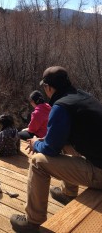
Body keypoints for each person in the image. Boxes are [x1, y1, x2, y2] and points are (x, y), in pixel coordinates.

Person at [10, 66, 102, 233]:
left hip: (100, 172)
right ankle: (68, 193)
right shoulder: (83, 97)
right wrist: (46, 139)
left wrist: (36, 143)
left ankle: (33, 222)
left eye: (45, 87)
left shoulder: (60, 107)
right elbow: (69, 135)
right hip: (98, 157)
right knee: (64, 146)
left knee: (38, 162)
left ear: (49, 87)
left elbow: (50, 150)